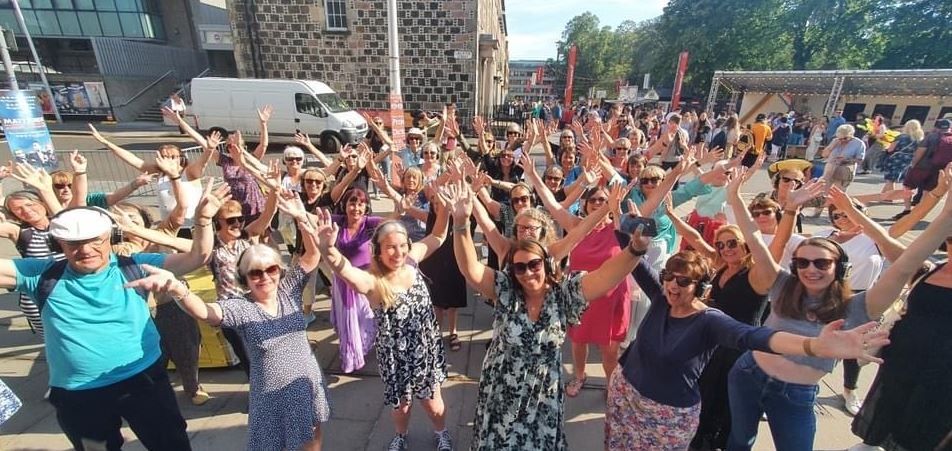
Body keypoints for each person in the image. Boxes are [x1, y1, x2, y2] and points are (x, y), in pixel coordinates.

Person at [606, 205, 885, 450]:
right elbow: (636, 262)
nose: (672, 285)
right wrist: (622, 224)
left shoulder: (709, 320)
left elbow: (754, 335)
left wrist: (812, 346)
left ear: (702, 288)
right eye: (668, 277)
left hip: (666, 413)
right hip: (626, 397)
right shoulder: (661, 298)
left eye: (683, 281)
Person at [0, 182, 224, 451]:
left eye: (95, 240)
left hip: (145, 382)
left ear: (111, 238)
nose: (86, 250)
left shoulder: (135, 265)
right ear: (58, 243)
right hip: (80, 393)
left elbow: (197, 257)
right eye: (74, 243)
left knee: (171, 444)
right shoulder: (40, 274)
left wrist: (202, 220)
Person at [448, 180, 646, 450]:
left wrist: (635, 250)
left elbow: (605, 276)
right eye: (520, 268)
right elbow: (470, 269)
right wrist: (461, 224)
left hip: (543, 393)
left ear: (546, 262)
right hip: (501, 389)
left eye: (534, 265)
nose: (528, 272)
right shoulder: (505, 288)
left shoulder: (564, 294)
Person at [128, 194, 329, 451]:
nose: (265, 277)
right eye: (255, 273)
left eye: (271, 270)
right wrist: (178, 290)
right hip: (272, 394)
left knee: (312, 433)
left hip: (306, 379)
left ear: (279, 271)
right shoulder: (242, 307)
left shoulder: (288, 291)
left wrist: (302, 217)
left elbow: (312, 255)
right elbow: (205, 312)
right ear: (244, 278)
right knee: (276, 443)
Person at [722, 167, 904, 450]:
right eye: (803, 263)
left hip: (796, 395)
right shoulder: (782, 285)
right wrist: (737, 197)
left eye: (822, 263)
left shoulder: (854, 306)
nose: (811, 269)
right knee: (738, 441)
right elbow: (755, 239)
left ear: (839, 268)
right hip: (748, 375)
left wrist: (856, 216)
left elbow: (906, 265)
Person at [314, 203, 452, 451]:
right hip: (395, 357)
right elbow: (344, 269)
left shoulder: (412, 260)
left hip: (425, 353)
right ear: (377, 251)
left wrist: (446, 209)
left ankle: (441, 433)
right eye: (390, 247)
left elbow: (438, 235)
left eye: (401, 246)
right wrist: (328, 249)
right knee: (401, 406)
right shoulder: (372, 282)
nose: (397, 252)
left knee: (433, 404)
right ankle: (400, 436)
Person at [849, 169, 952, 451]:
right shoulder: (927, 270)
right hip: (901, 365)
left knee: (921, 434)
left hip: (941, 379)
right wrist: (849, 209)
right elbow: (884, 239)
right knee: (887, 424)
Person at [330, 188, 383, 373]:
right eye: (352, 203)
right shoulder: (338, 222)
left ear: (366, 206)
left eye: (361, 204)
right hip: (342, 282)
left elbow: (392, 221)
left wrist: (399, 207)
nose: (356, 208)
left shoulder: (369, 223)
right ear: (345, 205)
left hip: (365, 281)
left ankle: (364, 347)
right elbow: (312, 220)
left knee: (365, 319)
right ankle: (351, 356)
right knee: (347, 320)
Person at [883, 120, 925, 220]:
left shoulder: (901, 137)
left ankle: (889, 197)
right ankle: (884, 195)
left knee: (890, 179)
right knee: (906, 182)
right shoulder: (920, 139)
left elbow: (890, 149)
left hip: (897, 158)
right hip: (910, 161)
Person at [821, 124, 867, 190]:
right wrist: (832, 146)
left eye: (845, 138)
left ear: (851, 134)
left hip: (845, 170)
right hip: (830, 169)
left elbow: (860, 160)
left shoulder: (859, 143)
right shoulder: (835, 141)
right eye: (840, 138)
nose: (842, 140)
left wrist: (847, 159)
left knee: (838, 192)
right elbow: (824, 155)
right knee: (823, 189)